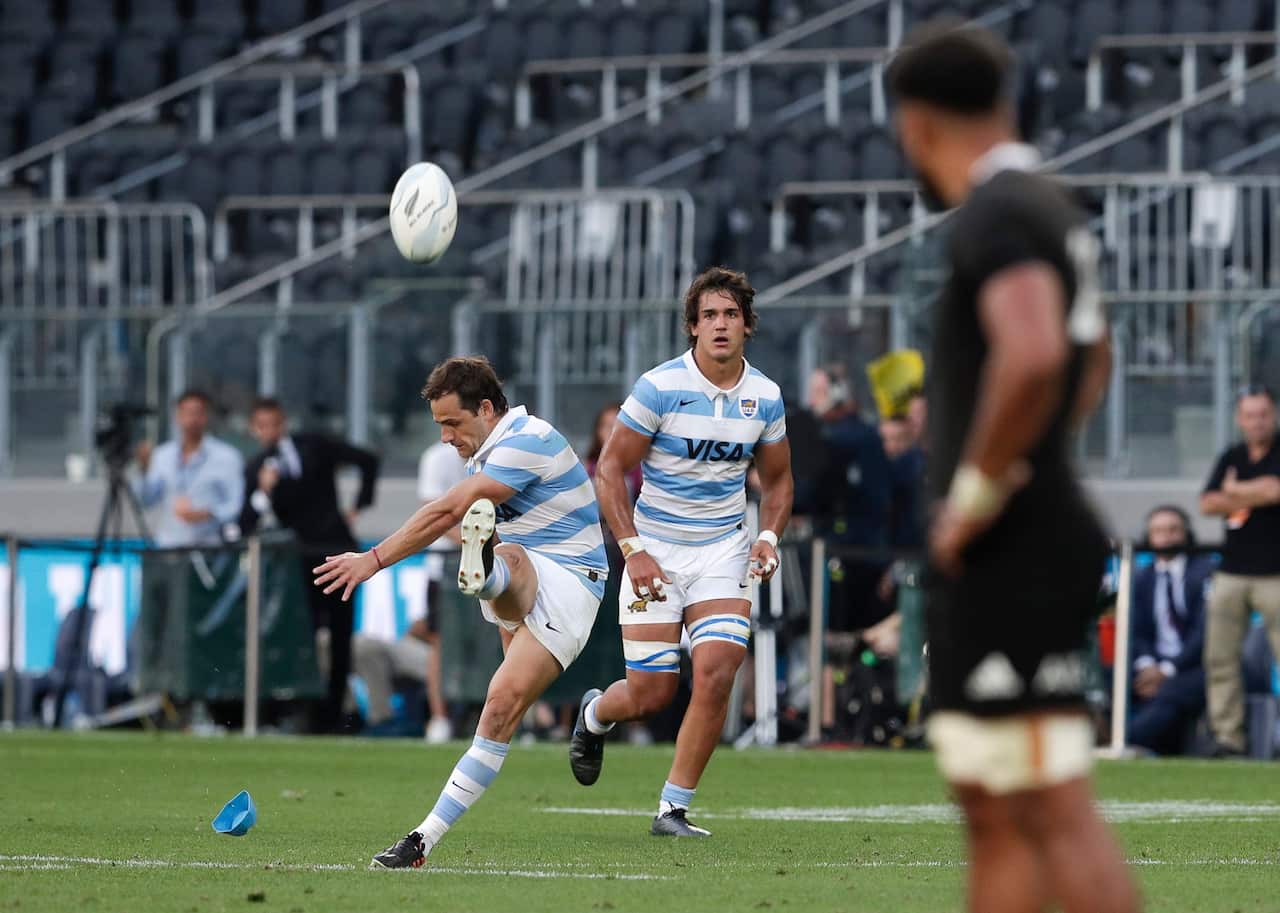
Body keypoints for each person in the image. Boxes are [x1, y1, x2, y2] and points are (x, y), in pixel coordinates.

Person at [888, 21, 1138, 913]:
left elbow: (1032, 353)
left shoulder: (995, 212)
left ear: (916, 124)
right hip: (1038, 531)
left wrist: (982, 488)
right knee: (997, 805)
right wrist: (1037, 457)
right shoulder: (1050, 202)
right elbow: (1092, 356)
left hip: (1010, 548)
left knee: (1047, 808)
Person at [312, 356, 607, 868]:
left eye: (453, 423)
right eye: (439, 426)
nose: (446, 436)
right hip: (526, 574)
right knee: (499, 715)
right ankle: (487, 571)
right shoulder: (483, 454)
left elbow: (449, 511)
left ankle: (421, 837)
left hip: (572, 580)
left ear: (487, 408)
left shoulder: (526, 440)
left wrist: (374, 559)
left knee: (497, 699)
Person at [569, 265, 793, 838]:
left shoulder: (764, 397)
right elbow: (612, 469)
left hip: (723, 550)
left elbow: (779, 480)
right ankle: (595, 716)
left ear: (747, 325)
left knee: (717, 671)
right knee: (650, 694)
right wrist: (633, 550)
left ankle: (673, 808)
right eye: (709, 316)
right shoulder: (659, 388)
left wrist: (767, 537)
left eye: (731, 315)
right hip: (657, 551)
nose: (720, 325)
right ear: (692, 327)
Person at [239, 397, 380, 734]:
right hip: (297, 565)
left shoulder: (313, 445)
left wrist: (358, 505)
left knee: (341, 636)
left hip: (337, 551)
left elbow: (367, 460)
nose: (269, 431)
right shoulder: (255, 468)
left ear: (282, 422)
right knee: (302, 638)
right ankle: (304, 709)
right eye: (262, 425)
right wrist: (264, 492)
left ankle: (337, 713)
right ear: (253, 429)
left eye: (274, 423)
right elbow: (245, 523)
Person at [1199, 384, 1280, 757]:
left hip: (1275, 573)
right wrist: (1254, 490)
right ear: (1239, 419)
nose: (1257, 421)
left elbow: (1275, 491)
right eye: (1249, 415)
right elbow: (1207, 503)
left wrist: (1234, 491)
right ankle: (1228, 738)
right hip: (1231, 572)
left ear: (1274, 415)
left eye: (1263, 414)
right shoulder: (1231, 455)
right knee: (1219, 657)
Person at [1126, 505, 1211, 755]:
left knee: (1171, 692)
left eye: (1173, 530)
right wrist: (1147, 666)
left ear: (1186, 534)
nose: (1166, 537)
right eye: (1159, 531)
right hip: (1151, 666)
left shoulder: (1205, 571)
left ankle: (1124, 742)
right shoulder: (1141, 577)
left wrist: (1166, 671)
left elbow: (1203, 633)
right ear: (1149, 537)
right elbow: (1136, 630)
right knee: (1113, 678)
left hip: (1193, 666)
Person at [134, 389, 244, 548]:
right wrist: (143, 469)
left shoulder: (227, 457)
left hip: (210, 548)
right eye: (187, 413)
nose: (192, 419)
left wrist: (208, 514)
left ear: (206, 417)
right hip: (170, 545)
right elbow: (146, 501)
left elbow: (235, 505)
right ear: (177, 417)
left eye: (198, 413)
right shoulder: (162, 455)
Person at [417, 439, 470, 743]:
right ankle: (439, 718)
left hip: (492, 565)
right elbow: (432, 514)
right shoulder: (436, 458)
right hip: (445, 568)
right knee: (440, 642)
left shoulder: (497, 452)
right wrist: (471, 542)